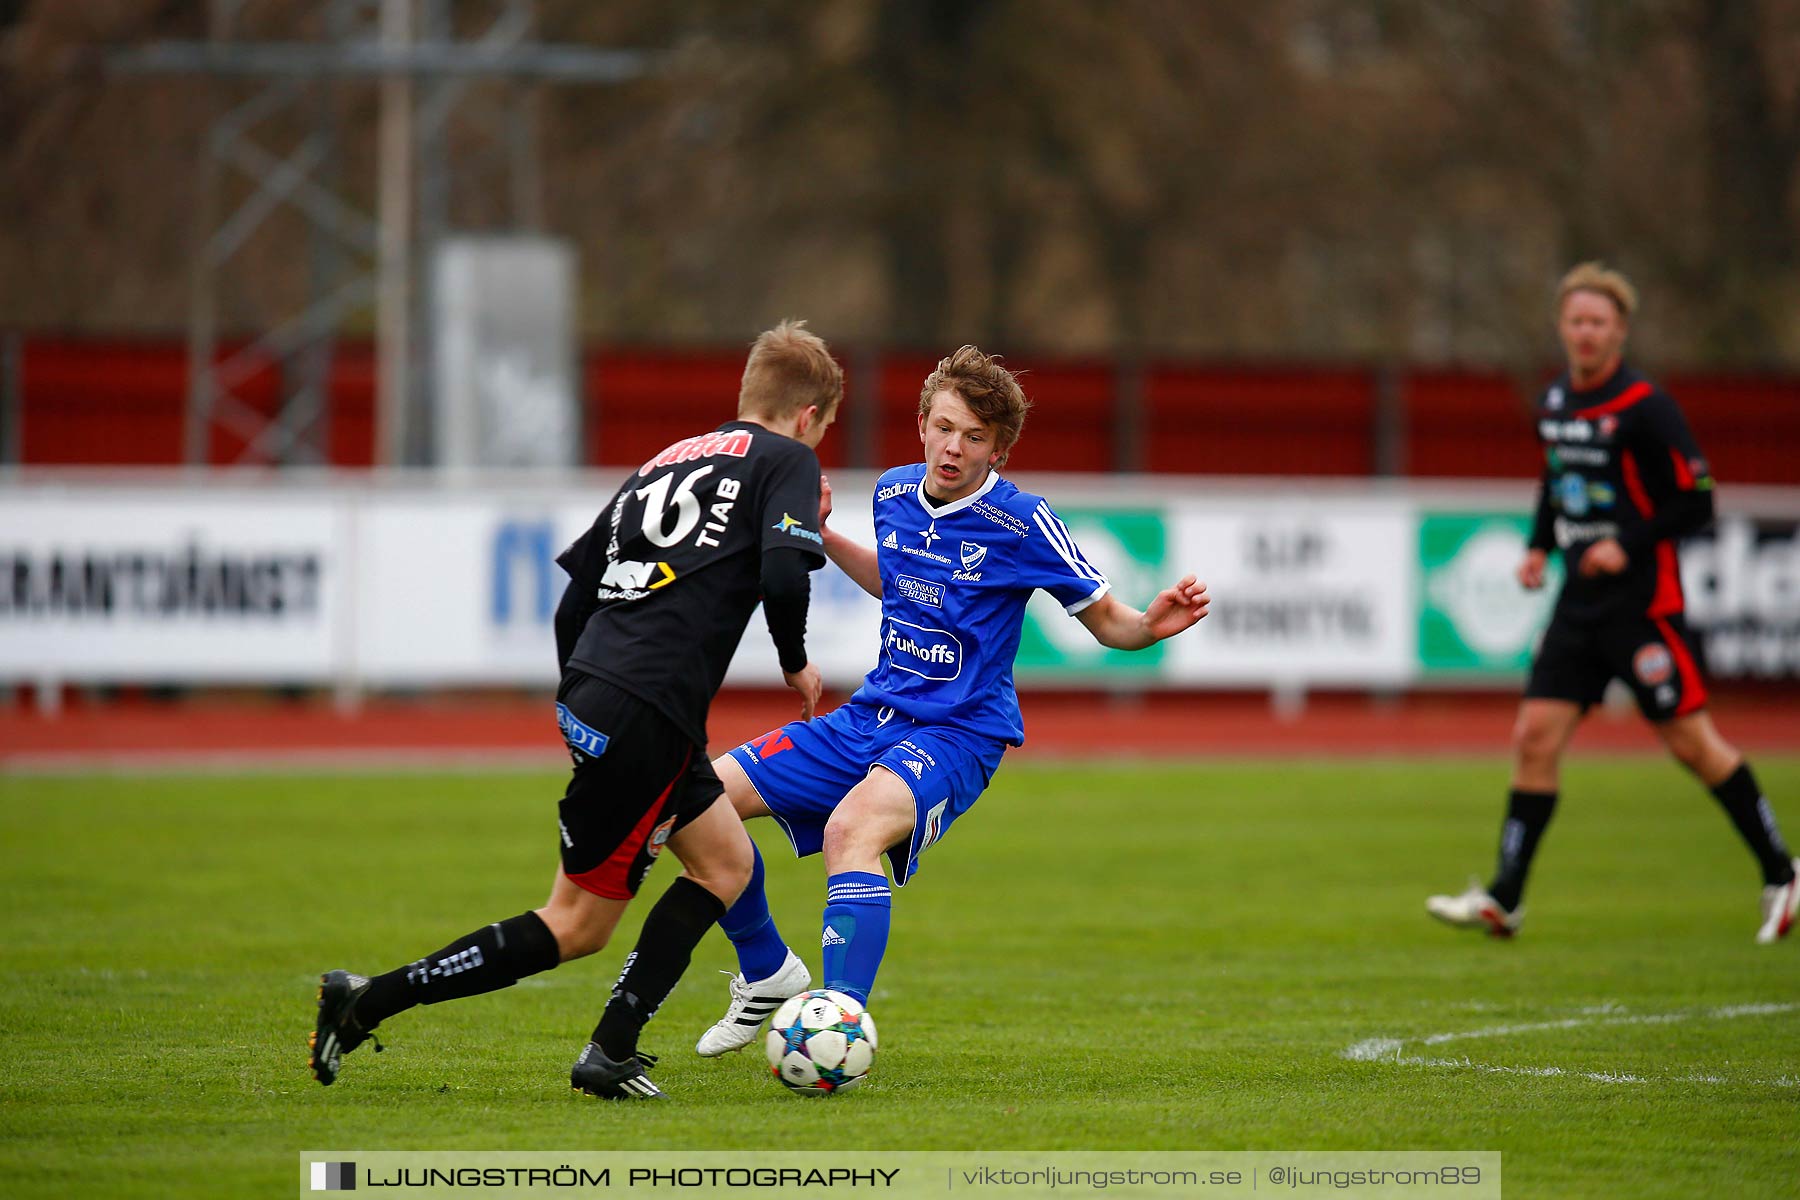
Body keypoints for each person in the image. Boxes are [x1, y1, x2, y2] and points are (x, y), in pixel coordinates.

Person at [308, 320, 844, 1099]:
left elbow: (574, 600)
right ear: (808, 417)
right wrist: (795, 661)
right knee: (575, 924)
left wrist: (586, 697)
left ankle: (614, 1045)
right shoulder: (789, 459)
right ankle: (368, 1001)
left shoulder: (668, 459)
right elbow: (787, 575)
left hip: (609, 690)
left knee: (727, 863)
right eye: (822, 427)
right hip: (648, 710)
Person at [688, 344, 1211, 1056]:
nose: (952, 447)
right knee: (694, 800)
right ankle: (766, 974)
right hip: (871, 716)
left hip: (959, 734)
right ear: (922, 426)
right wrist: (824, 535)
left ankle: (835, 1030)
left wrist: (1150, 626)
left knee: (852, 832)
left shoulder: (1022, 522)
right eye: (942, 427)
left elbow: (1107, 620)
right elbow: (893, 580)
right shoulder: (895, 493)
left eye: (973, 437)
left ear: (998, 450)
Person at [1427, 263, 1798, 943]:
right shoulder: (1556, 402)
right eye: (1576, 321)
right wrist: (1540, 546)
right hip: (1579, 605)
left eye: (1598, 322)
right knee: (1534, 738)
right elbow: (1556, 480)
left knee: (1691, 745)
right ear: (1562, 327)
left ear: (1620, 330)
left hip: (1643, 605)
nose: (1586, 333)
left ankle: (1782, 871)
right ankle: (1506, 896)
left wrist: (1629, 542)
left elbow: (1698, 499)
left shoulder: (1647, 407)